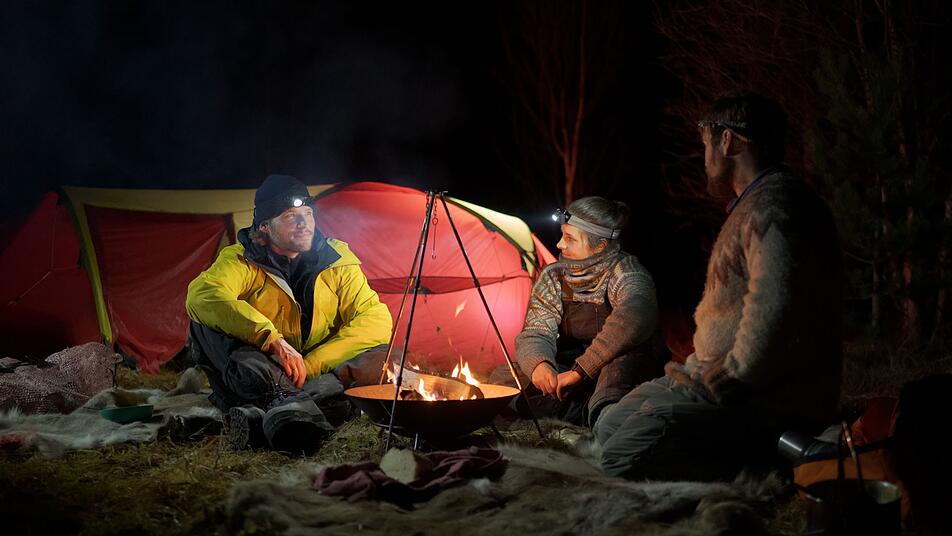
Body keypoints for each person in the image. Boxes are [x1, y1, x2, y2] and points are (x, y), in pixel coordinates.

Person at [595, 92, 843, 480]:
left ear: (726, 140)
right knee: (607, 426)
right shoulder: (752, 204)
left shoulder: (777, 208)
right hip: (706, 376)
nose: (705, 159)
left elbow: (776, 306)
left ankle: (775, 454)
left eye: (705, 146)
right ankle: (734, 441)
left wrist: (734, 377)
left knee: (620, 456)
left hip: (757, 395)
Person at [186, 174, 392, 453]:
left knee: (388, 357)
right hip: (269, 368)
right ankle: (305, 405)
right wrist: (271, 339)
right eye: (290, 216)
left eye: (308, 214)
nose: (303, 223)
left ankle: (280, 411)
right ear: (264, 226)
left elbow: (375, 318)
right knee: (205, 324)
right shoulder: (242, 259)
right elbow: (203, 294)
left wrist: (313, 364)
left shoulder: (336, 260)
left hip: (313, 369)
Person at [513, 196, 661, 427]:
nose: (559, 244)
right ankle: (581, 409)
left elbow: (635, 315)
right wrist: (540, 365)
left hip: (617, 362)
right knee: (509, 379)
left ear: (599, 246)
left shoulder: (627, 272)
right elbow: (536, 331)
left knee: (617, 379)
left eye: (570, 238)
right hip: (573, 362)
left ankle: (601, 413)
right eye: (562, 235)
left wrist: (580, 371)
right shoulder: (554, 275)